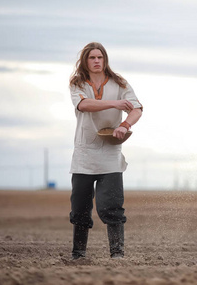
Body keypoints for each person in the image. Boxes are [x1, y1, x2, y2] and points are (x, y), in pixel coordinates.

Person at [68, 42, 143, 259]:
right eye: (92, 57)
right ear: (85, 61)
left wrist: (124, 125)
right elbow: (84, 105)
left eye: (100, 57)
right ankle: (78, 255)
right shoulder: (78, 83)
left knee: (112, 206)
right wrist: (115, 104)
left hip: (110, 151)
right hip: (84, 152)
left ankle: (117, 255)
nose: (97, 61)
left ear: (105, 59)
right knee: (80, 207)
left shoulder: (120, 83)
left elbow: (136, 108)